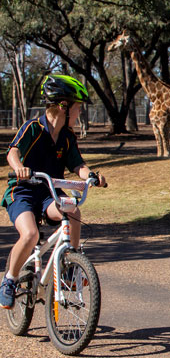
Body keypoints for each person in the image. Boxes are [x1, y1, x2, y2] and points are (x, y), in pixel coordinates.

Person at [0, 75, 107, 309]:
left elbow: (77, 164)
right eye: (78, 108)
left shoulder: (67, 137)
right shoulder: (33, 127)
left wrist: (90, 176)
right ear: (63, 106)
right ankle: (9, 280)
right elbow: (13, 152)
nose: (80, 113)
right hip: (23, 193)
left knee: (73, 211)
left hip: (49, 194)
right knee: (30, 235)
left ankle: (71, 266)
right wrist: (19, 168)